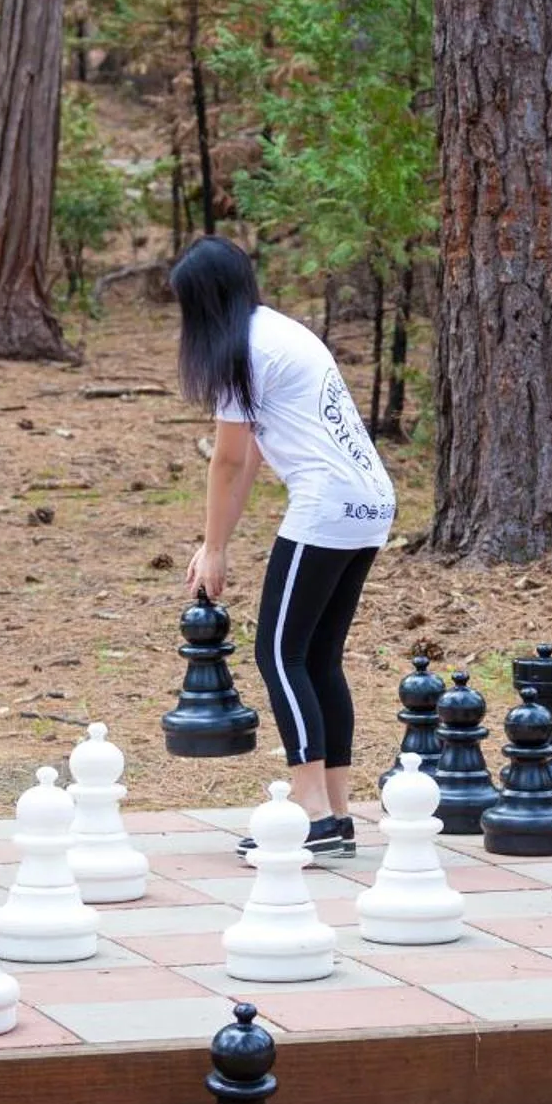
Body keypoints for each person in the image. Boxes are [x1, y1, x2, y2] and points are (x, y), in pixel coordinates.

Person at [173, 236, 396, 859]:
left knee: (279, 653)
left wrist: (215, 550)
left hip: (327, 504)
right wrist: (216, 542)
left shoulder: (241, 347)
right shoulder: (276, 331)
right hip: (370, 500)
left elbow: (228, 459)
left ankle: (311, 809)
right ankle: (338, 812)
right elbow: (246, 466)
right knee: (318, 656)